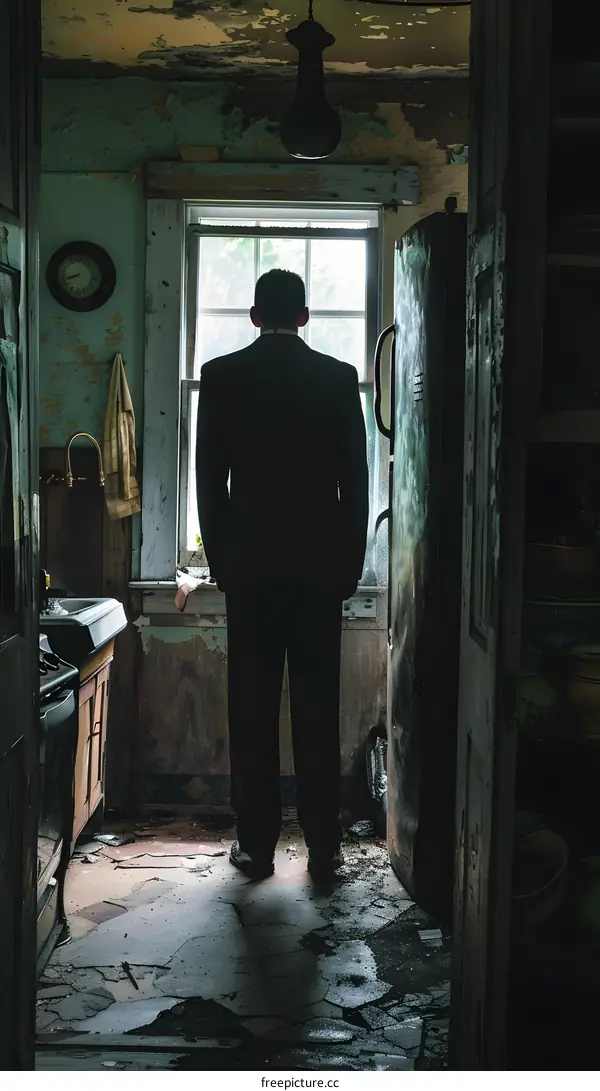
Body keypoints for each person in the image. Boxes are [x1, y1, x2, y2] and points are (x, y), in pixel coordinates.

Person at [196, 269, 369, 881]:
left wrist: (221, 562)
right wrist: (350, 564)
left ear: (253, 316)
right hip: (320, 572)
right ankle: (324, 848)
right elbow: (356, 482)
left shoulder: (221, 376)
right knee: (318, 708)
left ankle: (257, 846)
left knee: (251, 710)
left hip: (251, 571)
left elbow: (210, 481)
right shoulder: (337, 377)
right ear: (304, 317)